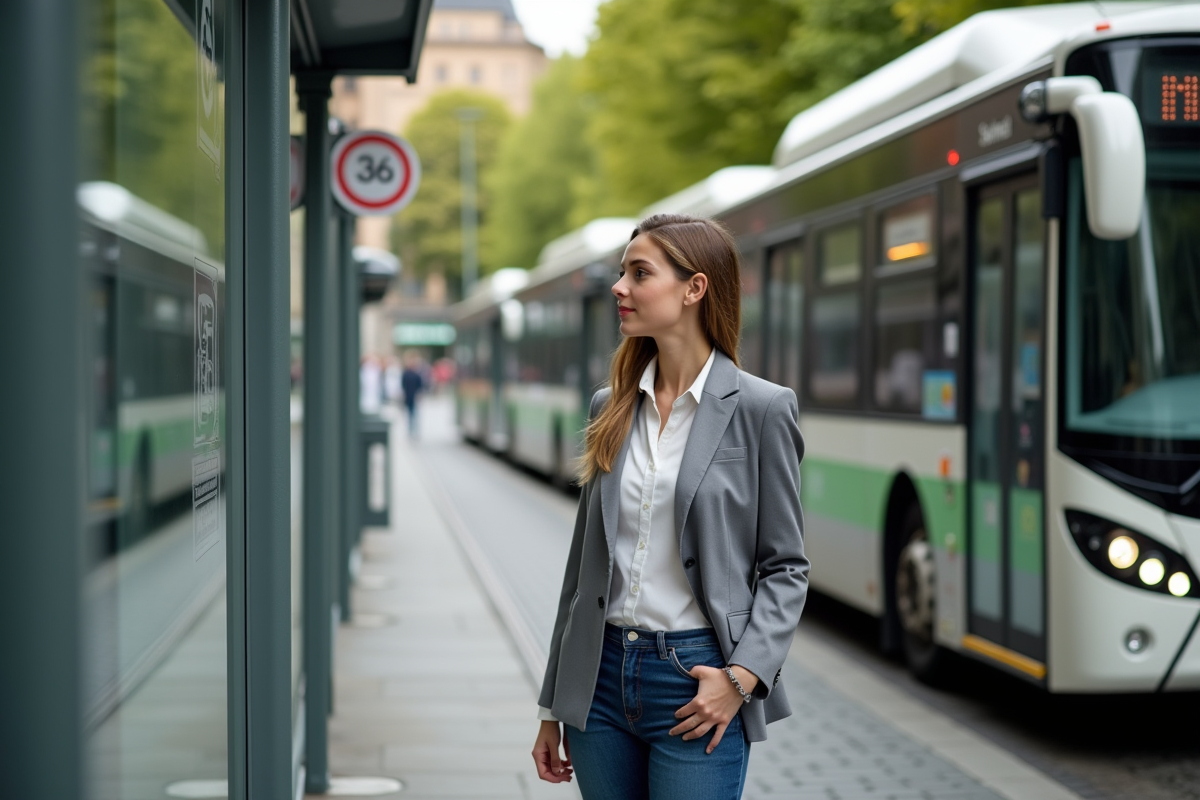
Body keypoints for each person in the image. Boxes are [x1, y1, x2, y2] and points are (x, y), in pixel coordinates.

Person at [531, 214, 809, 800]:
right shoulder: (610, 405)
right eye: (622, 273)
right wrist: (554, 702)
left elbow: (785, 567)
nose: (619, 288)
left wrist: (741, 680)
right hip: (599, 683)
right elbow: (582, 569)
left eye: (639, 273)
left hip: (695, 682)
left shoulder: (761, 408)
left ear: (694, 288)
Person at [400, 353, 424, 437]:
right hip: (408, 396)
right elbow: (402, 385)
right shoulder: (406, 373)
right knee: (409, 414)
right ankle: (410, 430)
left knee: (415, 414)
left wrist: (419, 395)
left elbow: (420, 386)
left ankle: (415, 430)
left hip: (414, 396)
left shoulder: (417, 374)